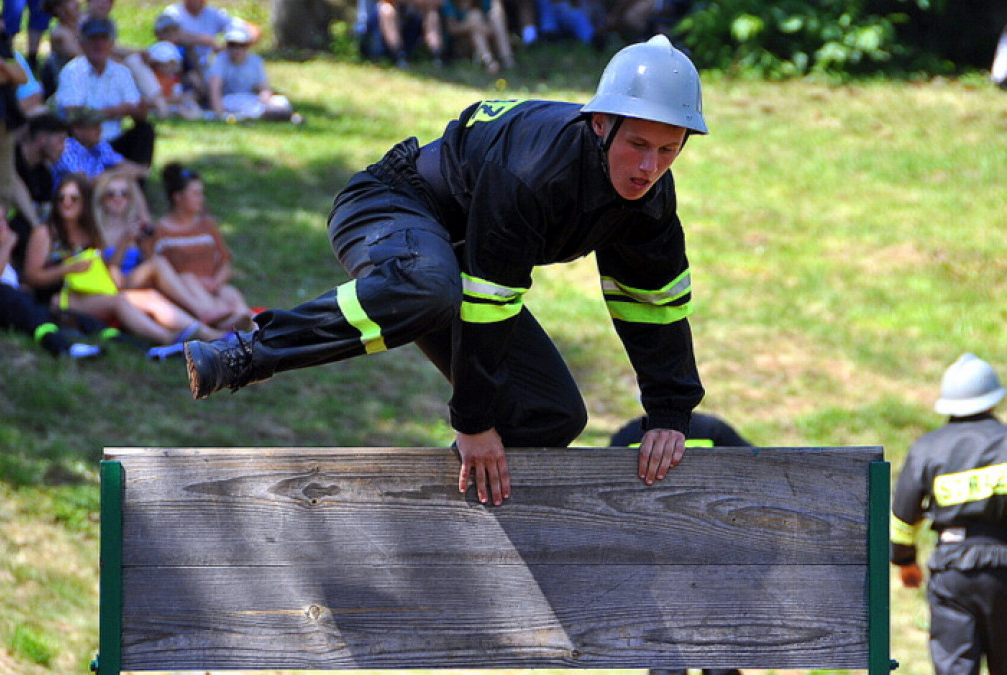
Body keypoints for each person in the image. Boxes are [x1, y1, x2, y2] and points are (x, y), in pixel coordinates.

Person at [185, 35, 708, 507]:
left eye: (668, 149)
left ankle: (440, 506)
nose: (649, 167)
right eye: (637, 144)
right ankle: (245, 354)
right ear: (600, 123)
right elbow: (487, 299)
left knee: (553, 415)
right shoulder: (533, 171)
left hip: (458, 259)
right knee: (429, 286)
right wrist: (473, 421)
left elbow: (653, 304)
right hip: (390, 204)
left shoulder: (651, 199)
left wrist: (669, 413)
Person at [891, 353, 1007, 675]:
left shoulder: (928, 448)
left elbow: (902, 519)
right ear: (993, 399)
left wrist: (905, 562)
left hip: (952, 571)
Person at [610, 411, 748, 675]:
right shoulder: (712, 429)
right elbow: (752, 475)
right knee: (717, 659)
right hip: (708, 561)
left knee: (667, 665)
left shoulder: (628, 435)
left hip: (654, 567)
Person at [22, 173, 223, 351]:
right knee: (119, 301)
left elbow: (107, 267)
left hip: (96, 290)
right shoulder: (45, 233)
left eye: (74, 198)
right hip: (60, 297)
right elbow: (31, 277)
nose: (67, 202)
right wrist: (67, 269)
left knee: (150, 296)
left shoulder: (88, 232)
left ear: (84, 202)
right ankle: (166, 339)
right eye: (61, 198)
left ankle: (209, 333)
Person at [94, 172, 230, 326]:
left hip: (139, 279)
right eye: (111, 194)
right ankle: (202, 312)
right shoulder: (97, 230)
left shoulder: (134, 226)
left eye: (124, 194)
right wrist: (124, 242)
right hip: (115, 283)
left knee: (187, 277)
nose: (118, 199)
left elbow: (147, 259)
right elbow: (108, 269)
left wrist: (144, 241)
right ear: (101, 198)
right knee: (159, 263)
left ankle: (219, 317)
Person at [0, 198, 101, 358]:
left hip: (12, 298)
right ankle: (60, 346)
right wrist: (7, 244)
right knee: (13, 299)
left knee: (73, 316)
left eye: (4, 219)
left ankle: (133, 344)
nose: (3, 225)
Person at [148, 162, 253, 331]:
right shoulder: (160, 231)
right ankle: (224, 322)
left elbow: (225, 261)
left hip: (214, 286)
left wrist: (215, 282)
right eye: (196, 194)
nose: (201, 199)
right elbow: (160, 271)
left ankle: (248, 321)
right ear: (178, 198)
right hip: (187, 292)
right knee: (188, 280)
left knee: (230, 293)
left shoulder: (206, 226)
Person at [53, 16, 156, 170]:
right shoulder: (73, 71)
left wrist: (140, 110)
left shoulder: (122, 72)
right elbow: (72, 113)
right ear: (82, 44)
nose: (99, 44)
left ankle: (138, 178)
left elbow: (135, 110)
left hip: (115, 138)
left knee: (145, 130)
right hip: (83, 140)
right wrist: (117, 110)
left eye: (104, 39)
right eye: (93, 39)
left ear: (112, 44)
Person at [0, 0, 29, 209]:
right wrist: (4, 70)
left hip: (3, 116)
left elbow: (21, 75)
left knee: (1, 192)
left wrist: (2, 67)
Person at [9, 112, 68, 267]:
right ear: (42, 139)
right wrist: (37, 226)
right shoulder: (9, 157)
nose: (63, 148)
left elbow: (45, 212)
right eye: (60, 140)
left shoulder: (45, 174)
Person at [206, 24, 295, 121]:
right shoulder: (220, 60)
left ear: (247, 46)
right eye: (232, 45)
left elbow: (263, 87)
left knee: (282, 101)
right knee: (239, 104)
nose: (236, 50)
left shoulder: (256, 61)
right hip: (229, 99)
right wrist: (219, 112)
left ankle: (265, 114)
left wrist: (265, 97)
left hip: (251, 97)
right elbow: (215, 89)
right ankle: (272, 115)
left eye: (240, 46)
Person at [51, 106, 148, 189]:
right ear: (77, 130)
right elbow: (84, 182)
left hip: (98, 195)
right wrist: (114, 175)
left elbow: (132, 168)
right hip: (73, 199)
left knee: (129, 184)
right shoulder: (65, 148)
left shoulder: (100, 146)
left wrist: (118, 174)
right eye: (93, 126)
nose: (99, 130)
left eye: (99, 125)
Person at [359, 0, 444, 68]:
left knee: (431, 13)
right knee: (387, 10)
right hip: (377, 25)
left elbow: (437, 2)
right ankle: (398, 56)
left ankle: (437, 56)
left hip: (409, 22)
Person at [441, 0, 515, 74]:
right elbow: (452, 29)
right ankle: (488, 61)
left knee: (496, 17)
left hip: (485, 36)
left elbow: (498, 15)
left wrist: (480, 27)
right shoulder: (449, 3)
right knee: (474, 16)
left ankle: (506, 59)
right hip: (461, 44)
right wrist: (471, 25)